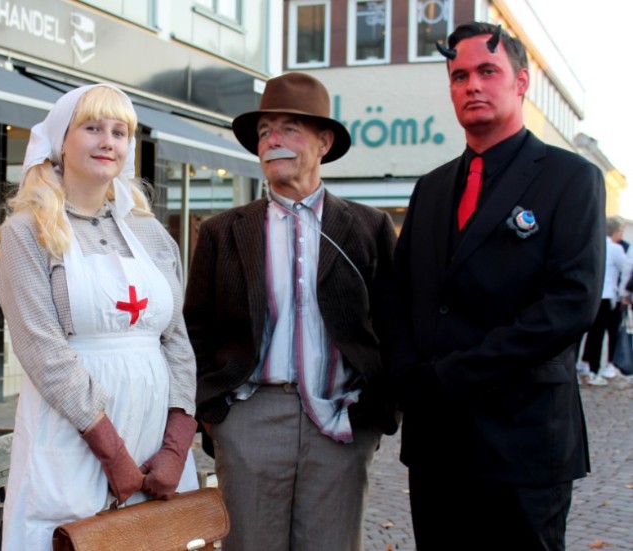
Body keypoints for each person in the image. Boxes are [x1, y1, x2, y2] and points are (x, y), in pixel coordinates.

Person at [391, 22, 604, 550]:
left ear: (522, 82)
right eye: (459, 75)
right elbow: (401, 296)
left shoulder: (571, 179)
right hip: (439, 444)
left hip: (524, 442)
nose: (472, 85)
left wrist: (451, 376)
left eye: (488, 71)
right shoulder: (432, 188)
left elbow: (570, 305)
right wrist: (405, 378)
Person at [184, 72, 398, 551]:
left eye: (288, 129)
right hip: (250, 417)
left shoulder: (368, 228)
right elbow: (195, 329)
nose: (273, 140)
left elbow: (394, 325)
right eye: (264, 132)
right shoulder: (222, 231)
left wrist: (379, 411)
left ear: (323, 143)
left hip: (342, 421)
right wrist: (215, 415)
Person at [0, 84, 199, 550]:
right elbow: (43, 350)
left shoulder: (150, 233)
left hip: (154, 439)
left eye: (120, 131)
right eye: (92, 128)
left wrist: (174, 447)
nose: (108, 141)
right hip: (75, 434)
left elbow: (178, 342)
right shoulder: (27, 234)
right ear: (60, 141)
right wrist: (113, 453)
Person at [579, 216, 626, 385]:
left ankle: (584, 365)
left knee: (591, 334)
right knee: (603, 335)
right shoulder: (615, 249)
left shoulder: (594, 245)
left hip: (592, 295)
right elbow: (626, 267)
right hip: (608, 297)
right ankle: (595, 370)